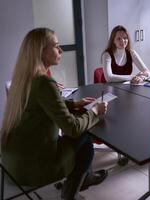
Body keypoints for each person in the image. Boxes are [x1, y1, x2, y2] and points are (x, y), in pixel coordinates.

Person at [1, 28, 108, 200]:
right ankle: (71, 192)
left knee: (74, 136)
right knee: (85, 137)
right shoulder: (44, 81)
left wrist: (74, 103)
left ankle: (84, 177)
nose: (61, 51)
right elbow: (72, 128)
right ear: (41, 51)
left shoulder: (23, 78)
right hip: (33, 167)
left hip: (11, 164)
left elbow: (38, 104)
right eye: (57, 46)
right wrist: (95, 111)